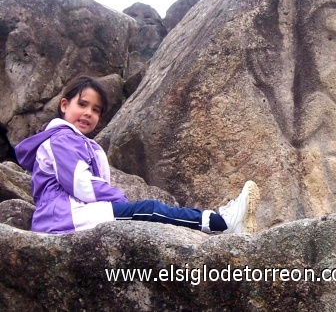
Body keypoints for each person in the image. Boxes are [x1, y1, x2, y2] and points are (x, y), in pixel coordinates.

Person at [14, 75, 260, 235]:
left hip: (72, 216)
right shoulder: (60, 139)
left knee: (147, 213)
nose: (88, 113)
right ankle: (221, 222)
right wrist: (118, 200)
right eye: (82, 104)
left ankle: (217, 222)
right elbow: (80, 183)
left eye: (96, 109)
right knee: (148, 209)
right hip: (63, 218)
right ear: (65, 105)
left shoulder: (76, 142)